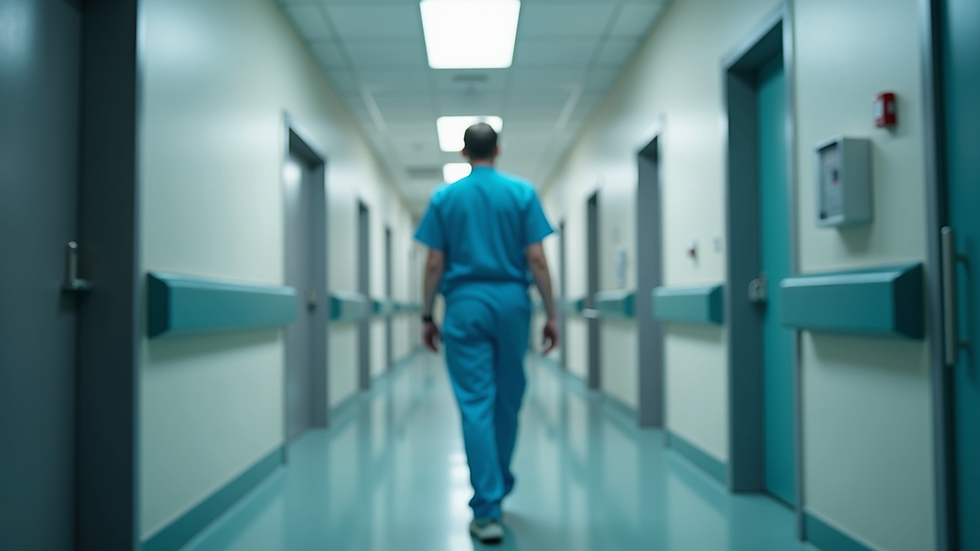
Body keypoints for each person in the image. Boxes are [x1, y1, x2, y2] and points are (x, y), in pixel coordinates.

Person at [414, 123, 560, 544]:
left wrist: (427, 314)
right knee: (508, 398)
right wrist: (552, 313)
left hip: (464, 306)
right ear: (497, 150)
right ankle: (495, 488)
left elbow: (434, 264)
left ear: (463, 152)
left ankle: (487, 505)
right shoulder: (521, 193)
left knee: (477, 402)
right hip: (512, 305)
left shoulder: (445, 198)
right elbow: (536, 258)